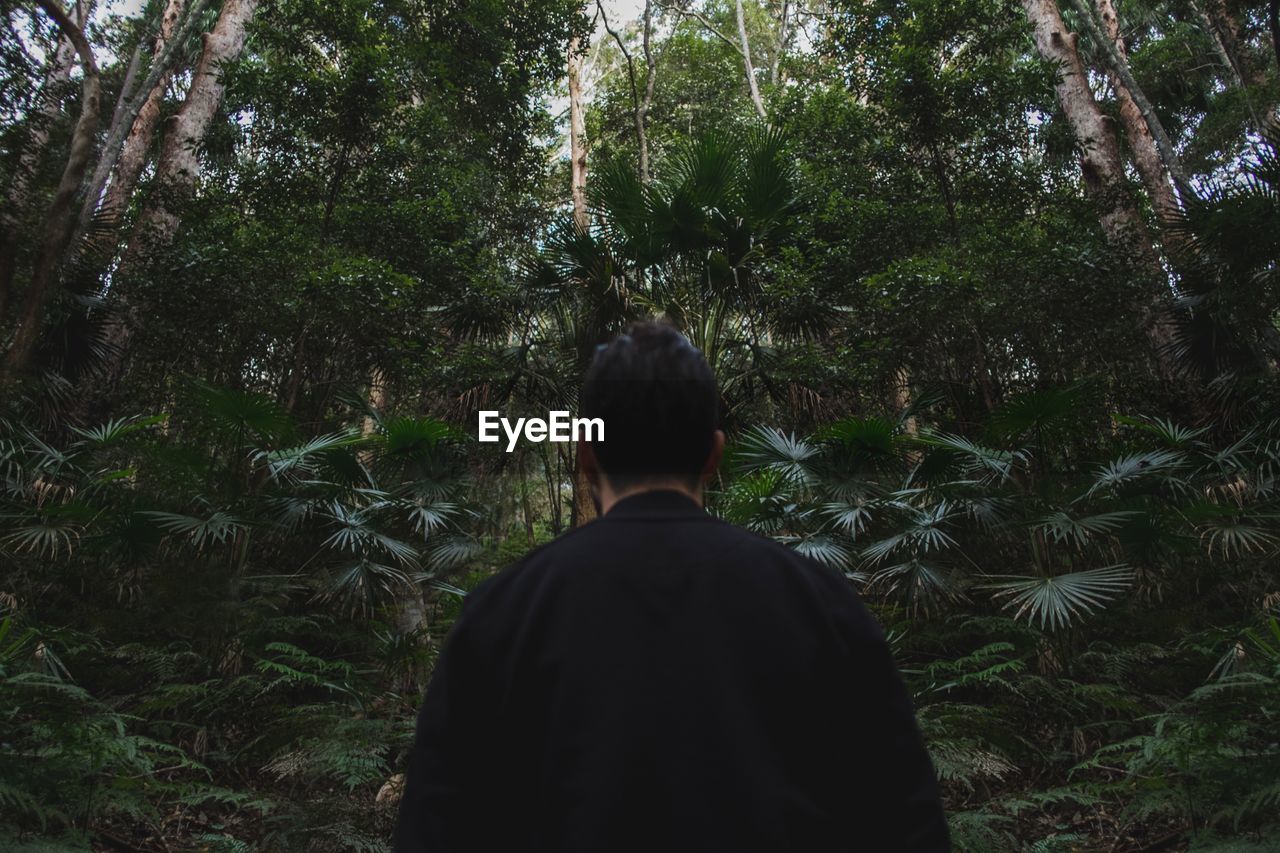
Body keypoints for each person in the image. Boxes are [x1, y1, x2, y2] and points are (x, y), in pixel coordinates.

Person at [394, 321, 950, 852]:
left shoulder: (502, 611)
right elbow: (906, 825)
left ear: (588, 457)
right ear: (714, 454)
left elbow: (437, 829)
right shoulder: (821, 602)